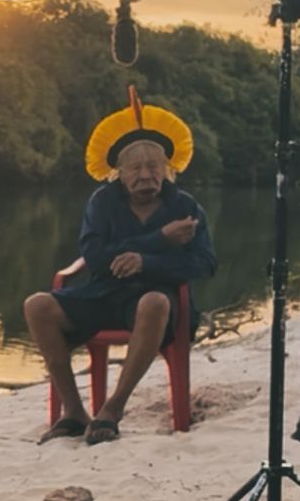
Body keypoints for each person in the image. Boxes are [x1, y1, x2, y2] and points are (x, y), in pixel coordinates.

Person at [26, 90, 217, 444]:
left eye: (154, 167)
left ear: (167, 169)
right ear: (120, 173)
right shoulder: (102, 201)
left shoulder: (184, 205)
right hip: (104, 294)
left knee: (154, 302)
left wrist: (147, 262)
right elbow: (96, 259)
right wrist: (158, 239)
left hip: (158, 305)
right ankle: (73, 411)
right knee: (38, 305)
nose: (146, 175)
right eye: (136, 168)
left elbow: (204, 262)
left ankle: (112, 409)